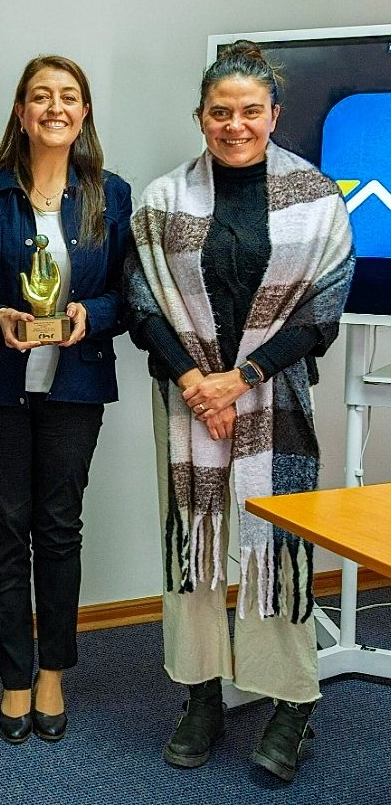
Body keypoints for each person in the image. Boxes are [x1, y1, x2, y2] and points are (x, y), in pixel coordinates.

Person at [125, 41, 354, 783]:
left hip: (274, 401)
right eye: (220, 112)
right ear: (200, 117)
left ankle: (290, 702)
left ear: (273, 116)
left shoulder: (318, 198)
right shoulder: (164, 200)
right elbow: (140, 302)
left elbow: (323, 312)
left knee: (275, 553)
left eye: (249, 111)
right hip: (188, 401)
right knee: (192, 550)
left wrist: (241, 377)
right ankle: (199, 694)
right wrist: (198, 380)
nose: (235, 124)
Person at [0, 55, 132, 744]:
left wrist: (90, 317)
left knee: (58, 528)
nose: (56, 107)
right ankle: (13, 678)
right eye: (41, 96)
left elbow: (128, 296)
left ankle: (53, 671)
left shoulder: (111, 193)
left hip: (75, 386)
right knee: (5, 530)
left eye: (69, 96)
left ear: (84, 113)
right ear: (21, 112)